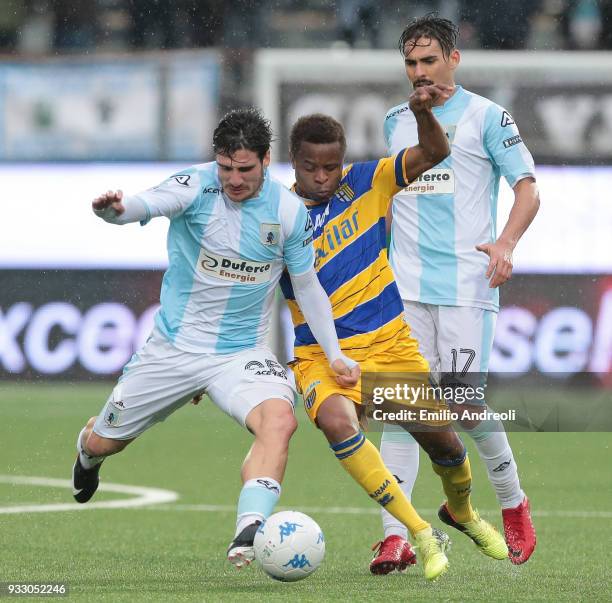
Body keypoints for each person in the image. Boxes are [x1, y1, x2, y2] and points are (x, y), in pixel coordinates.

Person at [70, 108, 359, 569]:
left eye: (245, 169)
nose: (234, 179)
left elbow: (306, 285)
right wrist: (115, 212)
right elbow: (140, 206)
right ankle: (88, 453)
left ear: (266, 160)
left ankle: (249, 529)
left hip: (240, 353)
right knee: (106, 442)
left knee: (280, 421)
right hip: (174, 349)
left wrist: (335, 354)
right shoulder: (194, 186)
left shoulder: (287, 211)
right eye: (226, 168)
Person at [281, 95, 508, 582]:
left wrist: (423, 113)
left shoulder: (367, 181)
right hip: (321, 357)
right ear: (293, 162)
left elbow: (435, 153)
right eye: (309, 167)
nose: (322, 177)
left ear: (341, 162)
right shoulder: (276, 217)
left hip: (389, 348)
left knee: (446, 449)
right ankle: (419, 532)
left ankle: (462, 514)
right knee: (340, 424)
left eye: (330, 167)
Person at [372, 15, 540, 572]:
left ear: (454, 59)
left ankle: (513, 502)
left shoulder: (488, 117)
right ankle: (397, 534)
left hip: (467, 284)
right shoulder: (396, 121)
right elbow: (387, 200)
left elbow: (527, 190)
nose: (419, 73)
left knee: (464, 405)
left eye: (429, 61)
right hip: (406, 289)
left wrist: (505, 243)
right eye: (411, 63)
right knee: (400, 409)